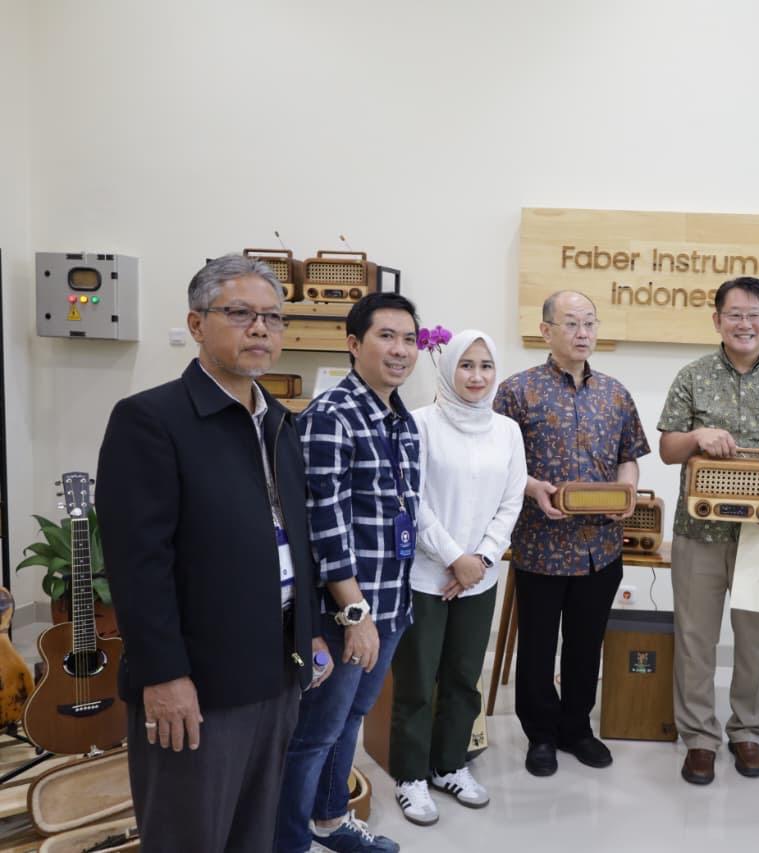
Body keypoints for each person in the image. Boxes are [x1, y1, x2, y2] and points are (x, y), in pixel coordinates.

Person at [97, 254, 330, 851]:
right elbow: (138, 565)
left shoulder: (278, 422)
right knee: (190, 834)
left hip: (276, 669)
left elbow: (294, 542)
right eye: (241, 313)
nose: (260, 329)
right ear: (197, 324)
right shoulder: (151, 420)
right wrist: (164, 675)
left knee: (254, 831)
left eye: (273, 318)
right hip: (199, 680)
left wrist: (311, 633)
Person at [656, 276, 759, 785]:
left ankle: (748, 731)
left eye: (754, 315)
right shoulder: (692, 376)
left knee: (757, 642)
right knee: (695, 638)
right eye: (734, 314)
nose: (744, 323)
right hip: (698, 531)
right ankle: (699, 738)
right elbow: (667, 450)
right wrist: (697, 436)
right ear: (717, 320)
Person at [276, 292, 422, 853]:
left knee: (351, 719)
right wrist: (354, 613)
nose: (400, 349)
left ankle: (330, 819)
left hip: (390, 603)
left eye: (409, 339)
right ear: (354, 344)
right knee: (315, 733)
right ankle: (288, 841)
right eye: (387, 336)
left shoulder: (400, 419)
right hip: (346, 612)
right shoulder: (333, 415)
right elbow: (325, 523)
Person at [493, 290, 650, 778]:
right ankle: (540, 734)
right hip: (540, 544)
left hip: (600, 547)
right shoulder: (517, 392)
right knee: (538, 647)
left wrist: (628, 490)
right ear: (546, 331)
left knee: (586, 644)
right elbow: (498, 463)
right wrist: (533, 488)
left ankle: (577, 728)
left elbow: (629, 454)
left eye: (590, 323)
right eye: (571, 324)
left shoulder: (615, 393)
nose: (583, 333)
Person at [390, 330, 525, 825]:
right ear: (448, 369)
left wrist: (481, 560)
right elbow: (412, 498)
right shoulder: (419, 424)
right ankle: (409, 775)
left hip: (479, 578)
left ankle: (449, 765)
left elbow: (511, 500)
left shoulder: (507, 431)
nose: (476, 376)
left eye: (486, 366)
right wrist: (453, 557)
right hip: (427, 575)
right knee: (416, 680)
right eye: (466, 365)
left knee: (464, 678)